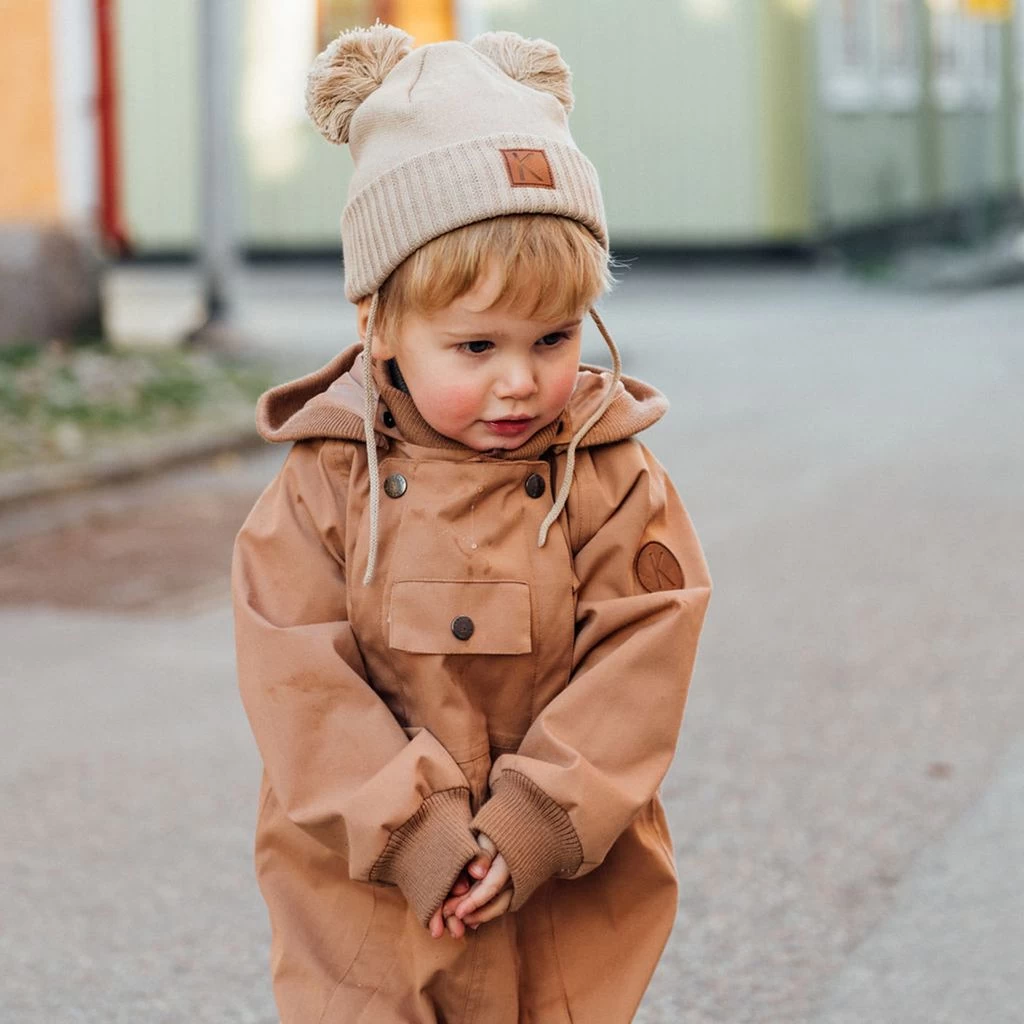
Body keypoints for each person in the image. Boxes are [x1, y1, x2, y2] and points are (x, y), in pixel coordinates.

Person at [232, 21, 712, 1024]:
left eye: (553, 336)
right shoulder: (329, 479)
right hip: (364, 886)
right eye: (475, 343)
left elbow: (640, 658)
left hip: (559, 872)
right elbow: (299, 677)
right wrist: (417, 833)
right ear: (378, 324)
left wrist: (533, 821)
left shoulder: (609, 472)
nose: (519, 379)